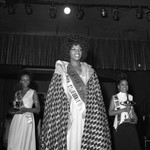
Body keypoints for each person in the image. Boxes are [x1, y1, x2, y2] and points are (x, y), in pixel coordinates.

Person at [40, 34, 111, 150]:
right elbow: (54, 94)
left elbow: (96, 96)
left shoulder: (90, 71)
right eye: (73, 49)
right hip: (66, 111)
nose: (77, 52)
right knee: (69, 139)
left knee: (84, 138)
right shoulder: (61, 69)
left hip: (86, 112)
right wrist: (63, 110)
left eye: (79, 49)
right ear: (68, 51)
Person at [7, 70, 40, 150]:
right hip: (17, 119)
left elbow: (38, 109)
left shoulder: (33, 92)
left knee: (24, 141)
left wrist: (25, 110)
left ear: (30, 81)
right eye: (23, 80)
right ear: (20, 81)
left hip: (27, 119)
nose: (25, 81)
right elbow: (17, 107)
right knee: (15, 140)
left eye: (27, 80)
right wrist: (12, 111)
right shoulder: (17, 93)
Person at [109, 75, 141, 150]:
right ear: (118, 86)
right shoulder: (115, 97)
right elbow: (110, 112)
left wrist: (131, 120)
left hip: (130, 126)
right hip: (119, 126)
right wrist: (123, 110)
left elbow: (135, 118)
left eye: (126, 84)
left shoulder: (130, 97)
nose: (125, 86)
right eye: (122, 84)